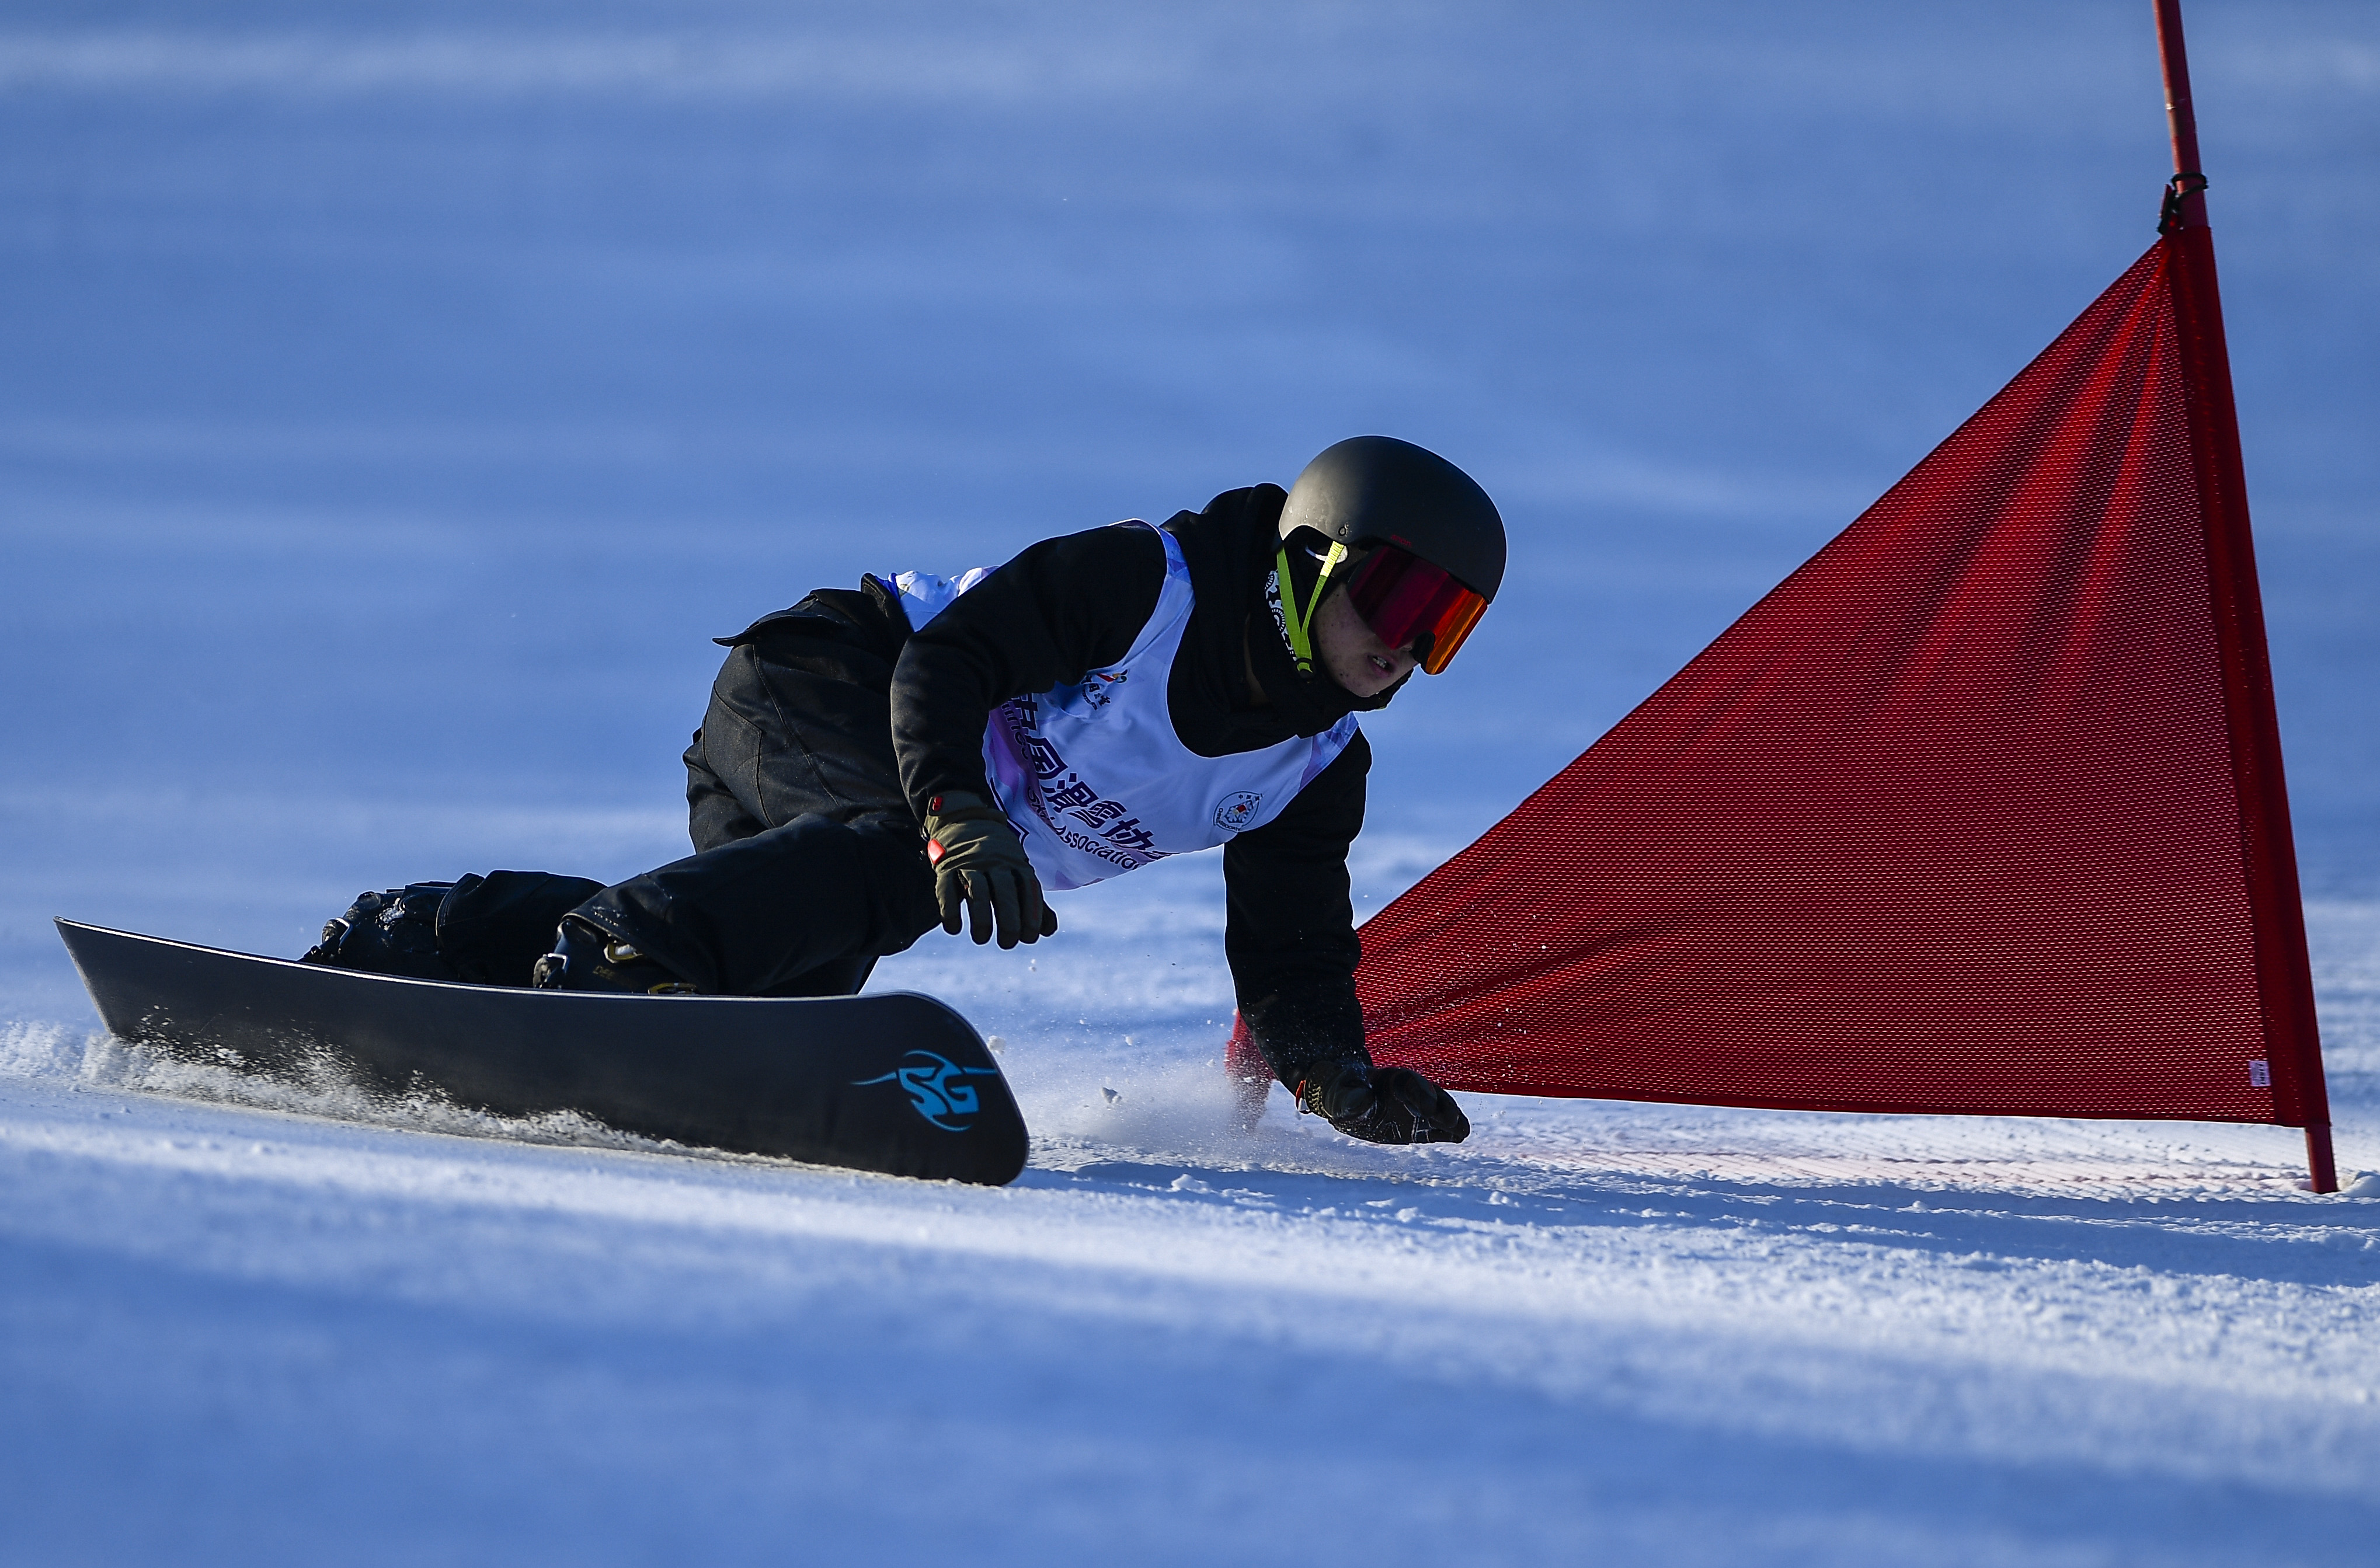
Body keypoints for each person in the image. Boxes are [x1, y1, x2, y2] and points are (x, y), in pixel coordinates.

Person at [306, 436, 1502, 1146]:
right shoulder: (1154, 581)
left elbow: (1289, 948)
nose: (1407, 644)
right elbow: (949, 659)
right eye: (1397, 600)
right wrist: (954, 809)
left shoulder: (1311, 767)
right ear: (1311, 559)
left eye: (1443, 627)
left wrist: (1330, 1074)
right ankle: (617, 956)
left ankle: (424, 937)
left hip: (878, 802)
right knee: (885, 867)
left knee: (779, 983)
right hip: (821, 680)